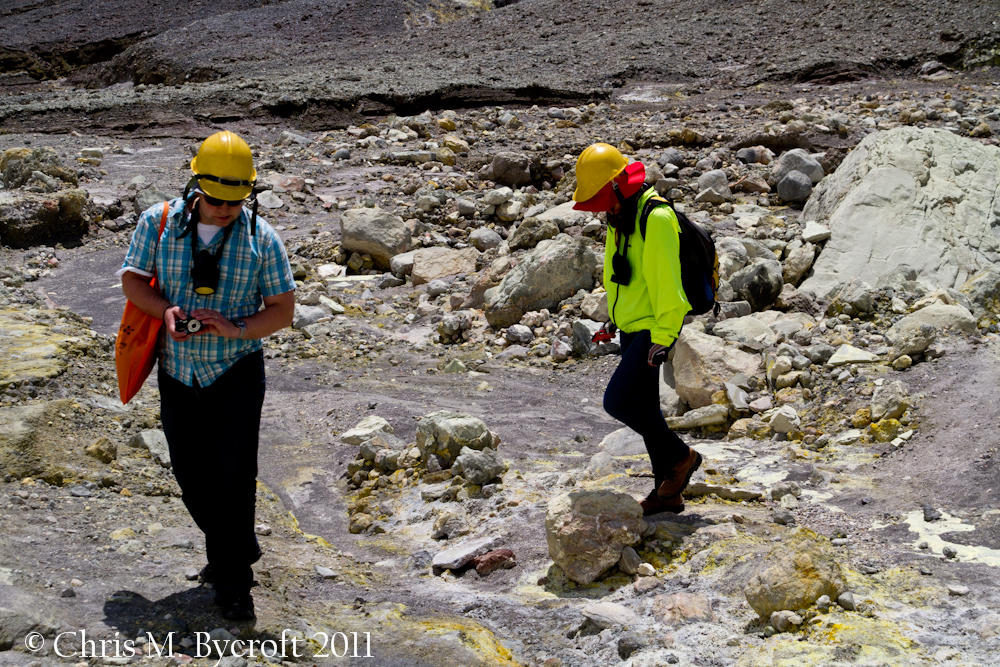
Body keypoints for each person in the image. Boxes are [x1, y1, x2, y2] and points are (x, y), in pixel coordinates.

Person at [118, 130, 295, 620]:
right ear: (195, 185)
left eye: (235, 202)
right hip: (177, 373)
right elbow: (133, 281)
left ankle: (234, 584)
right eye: (215, 200)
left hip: (236, 373)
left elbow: (282, 311)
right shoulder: (158, 223)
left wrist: (236, 328)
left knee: (235, 477)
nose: (224, 210)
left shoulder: (263, 238)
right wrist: (167, 311)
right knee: (191, 475)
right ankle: (237, 545)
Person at [572, 142, 702, 516]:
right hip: (632, 326)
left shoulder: (655, 218)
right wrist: (613, 319)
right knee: (647, 411)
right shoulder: (620, 215)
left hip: (652, 331)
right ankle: (668, 493)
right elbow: (625, 278)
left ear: (616, 187)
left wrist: (662, 340)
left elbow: (668, 290)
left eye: (602, 200)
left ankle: (682, 458)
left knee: (617, 402)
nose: (601, 210)